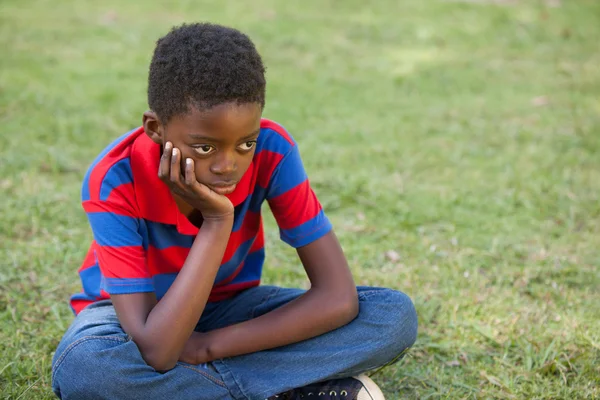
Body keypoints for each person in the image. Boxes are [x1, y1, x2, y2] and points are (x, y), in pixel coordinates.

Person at [51, 22, 418, 400]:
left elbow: (337, 298)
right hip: (129, 322)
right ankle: (284, 388)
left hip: (229, 309)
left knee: (391, 316)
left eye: (246, 143)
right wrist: (217, 221)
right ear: (156, 128)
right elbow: (157, 350)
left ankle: (201, 389)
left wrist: (208, 346)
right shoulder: (115, 177)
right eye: (205, 148)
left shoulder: (273, 151)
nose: (229, 165)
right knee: (88, 369)